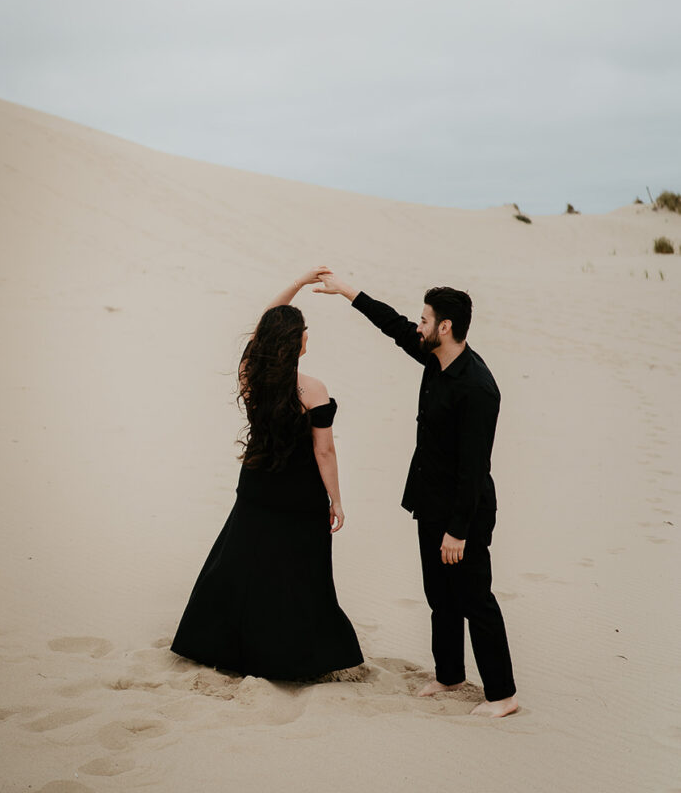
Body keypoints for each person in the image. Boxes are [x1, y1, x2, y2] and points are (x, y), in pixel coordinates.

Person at [313, 272, 518, 717]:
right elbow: (393, 325)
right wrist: (349, 291)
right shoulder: (435, 359)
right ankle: (449, 675)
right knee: (439, 596)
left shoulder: (478, 389)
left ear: (445, 327)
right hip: (430, 500)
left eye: (425, 320)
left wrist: (458, 531)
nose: (418, 326)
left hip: (464, 513)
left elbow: (473, 468)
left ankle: (503, 695)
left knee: (475, 599)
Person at [171, 268, 363, 680]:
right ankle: (296, 655)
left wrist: (296, 284)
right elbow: (324, 450)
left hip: (257, 487)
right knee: (300, 575)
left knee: (243, 566)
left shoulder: (251, 377)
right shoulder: (312, 389)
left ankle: (221, 643)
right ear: (295, 341)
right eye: (305, 332)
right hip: (300, 495)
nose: (308, 337)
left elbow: (264, 327)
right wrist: (336, 500)